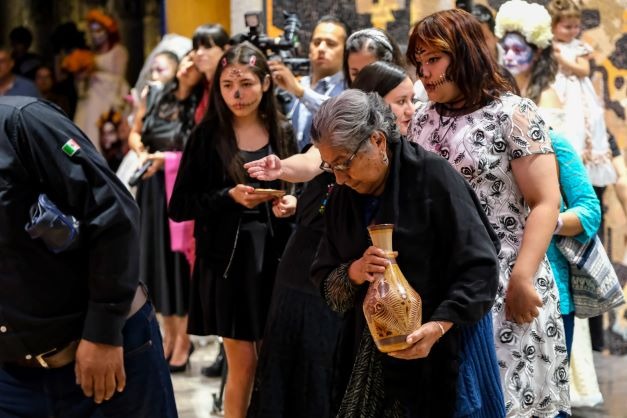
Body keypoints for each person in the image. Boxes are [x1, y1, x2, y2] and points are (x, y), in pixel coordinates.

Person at [406, 8, 569, 417]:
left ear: (465, 54)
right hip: (442, 284)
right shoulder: (422, 118)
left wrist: (522, 277)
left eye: (434, 59)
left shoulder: (513, 113)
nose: (424, 72)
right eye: (419, 62)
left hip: (505, 277)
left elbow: (546, 202)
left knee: (508, 403)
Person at [307, 89, 500, 417]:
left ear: (378, 142)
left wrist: (437, 327)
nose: (339, 177)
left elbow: (481, 265)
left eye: (344, 164)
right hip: (366, 357)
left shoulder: (434, 180)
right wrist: (354, 271)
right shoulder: (344, 196)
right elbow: (325, 280)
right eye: (330, 166)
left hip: (444, 350)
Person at [0, 96, 176, 417]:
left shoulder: (23, 122)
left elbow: (113, 212)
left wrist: (102, 333)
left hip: (105, 349)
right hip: (14, 379)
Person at [169, 42, 297, 418]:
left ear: (266, 84)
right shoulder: (207, 137)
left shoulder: (282, 129)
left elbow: (299, 185)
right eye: (227, 85)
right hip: (228, 263)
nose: (236, 94)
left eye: (245, 84)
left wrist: (291, 202)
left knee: (275, 363)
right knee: (242, 365)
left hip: (276, 259)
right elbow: (180, 206)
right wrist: (229, 197)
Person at [128, 52, 203, 373]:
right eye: (186, 59)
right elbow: (135, 130)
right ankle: (169, 335)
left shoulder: (200, 104)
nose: (189, 65)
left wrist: (167, 159)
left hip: (180, 186)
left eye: (195, 64)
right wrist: (142, 152)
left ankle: (184, 338)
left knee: (176, 265)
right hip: (152, 187)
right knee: (154, 261)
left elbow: (202, 150)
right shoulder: (155, 93)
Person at [269, 15, 348, 150]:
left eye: (331, 43)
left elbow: (340, 116)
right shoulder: (294, 84)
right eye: (316, 42)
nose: (321, 48)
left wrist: (300, 92)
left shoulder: (350, 87)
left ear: (346, 51)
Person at [73, 9, 129, 151]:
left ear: (108, 31)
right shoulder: (90, 54)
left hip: (109, 100)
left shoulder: (118, 51)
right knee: (80, 135)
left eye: (99, 30)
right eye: (92, 31)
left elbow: (118, 80)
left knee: (105, 138)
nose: (95, 35)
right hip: (89, 101)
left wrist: (95, 75)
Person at [191, 23, 230, 123]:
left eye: (207, 47)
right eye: (196, 48)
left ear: (225, 49)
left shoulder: (230, 84)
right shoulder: (199, 84)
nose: (199, 53)